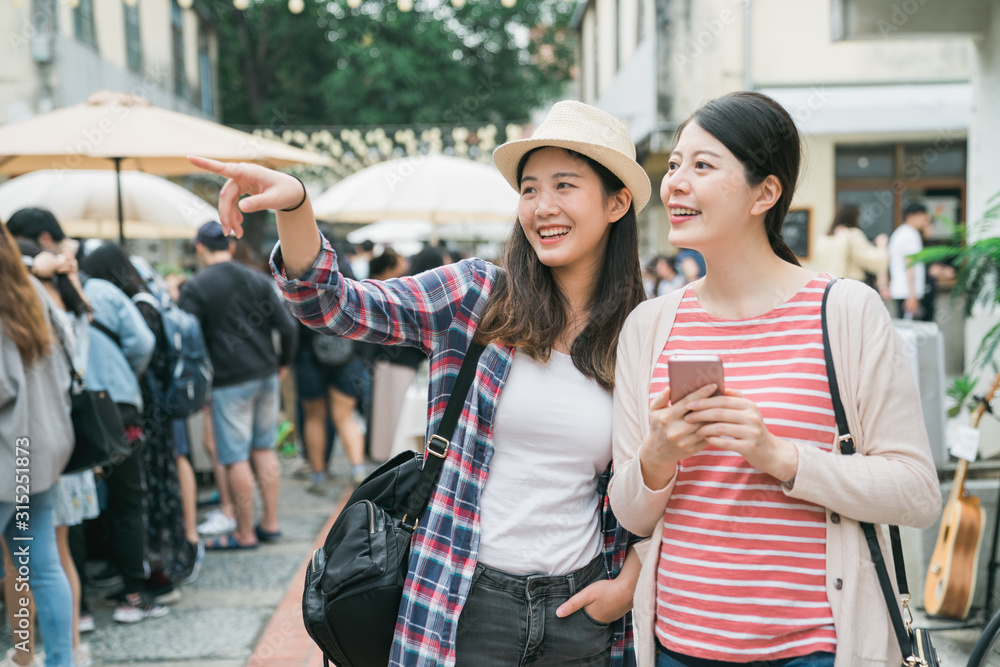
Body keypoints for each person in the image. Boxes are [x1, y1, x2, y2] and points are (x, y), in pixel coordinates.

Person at [190, 99, 652, 666]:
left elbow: (666, 485)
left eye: (564, 185)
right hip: (467, 601)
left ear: (616, 202)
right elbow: (334, 304)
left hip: (582, 613)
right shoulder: (478, 296)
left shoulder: (640, 334)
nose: (542, 207)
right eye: (530, 189)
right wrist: (297, 204)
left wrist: (628, 583)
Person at [608, 91, 941, 667]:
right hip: (677, 648)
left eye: (703, 166)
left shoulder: (845, 312)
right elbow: (630, 513)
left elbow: (916, 492)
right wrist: (657, 459)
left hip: (814, 649)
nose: (675, 183)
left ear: (766, 192)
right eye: (676, 164)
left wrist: (782, 457)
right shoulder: (649, 326)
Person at [179, 222, 297, 550]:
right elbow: (288, 327)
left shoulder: (195, 288)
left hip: (228, 381)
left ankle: (244, 534)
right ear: (229, 247)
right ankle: (270, 523)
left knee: (234, 457)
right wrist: (283, 363)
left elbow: (187, 342)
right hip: (266, 374)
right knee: (264, 449)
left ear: (200, 247)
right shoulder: (258, 279)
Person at [0, 221, 75, 667]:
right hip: (40, 451)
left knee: (35, 565)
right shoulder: (30, 291)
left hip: (9, 456)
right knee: (39, 564)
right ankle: (60, 660)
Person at [79, 241, 162, 623]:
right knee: (128, 500)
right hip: (121, 408)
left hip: (77, 410)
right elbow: (143, 341)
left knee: (74, 506)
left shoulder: (47, 292)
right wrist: (125, 372)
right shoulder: (106, 291)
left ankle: (77, 609)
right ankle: (133, 594)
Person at [814, 203, 888, 284]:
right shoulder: (852, 235)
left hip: (827, 287)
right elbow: (875, 262)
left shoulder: (823, 238)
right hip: (849, 287)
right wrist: (881, 245)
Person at [887, 202, 933, 321]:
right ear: (911, 216)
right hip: (907, 293)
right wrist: (912, 295)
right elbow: (910, 264)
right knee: (910, 333)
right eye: (923, 216)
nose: (925, 220)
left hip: (903, 291)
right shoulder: (910, 234)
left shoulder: (901, 232)